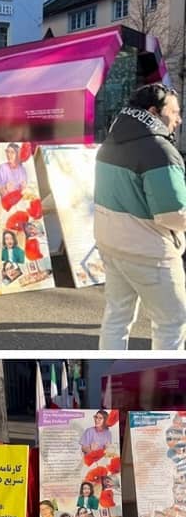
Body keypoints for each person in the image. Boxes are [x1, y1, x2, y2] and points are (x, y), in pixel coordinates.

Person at [94, 83, 186, 349]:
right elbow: (174, 213)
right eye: (175, 112)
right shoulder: (158, 150)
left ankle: (109, 376)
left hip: (112, 245)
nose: (178, 120)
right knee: (171, 323)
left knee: (116, 317)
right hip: (151, 253)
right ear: (153, 111)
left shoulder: (111, 142)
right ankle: (166, 388)